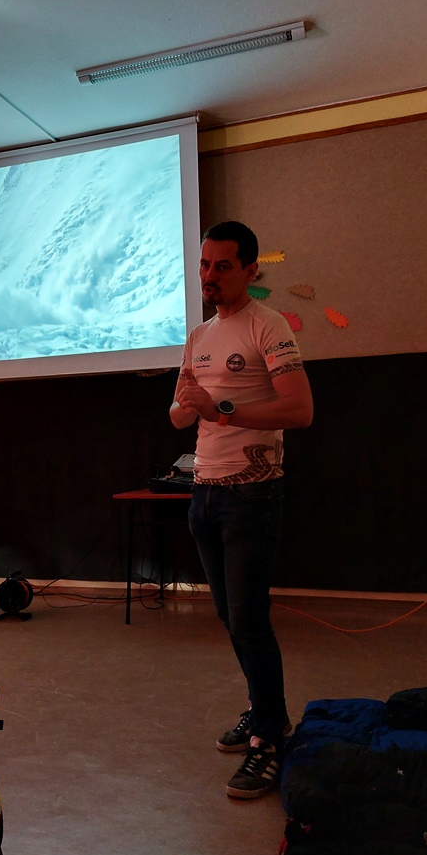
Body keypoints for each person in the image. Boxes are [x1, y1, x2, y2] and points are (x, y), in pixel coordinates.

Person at [170, 220, 313, 799]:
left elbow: (300, 410)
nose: (209, 276)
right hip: (204, 491)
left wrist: (222, 408)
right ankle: (263, 708)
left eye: (223, 266)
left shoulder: (267, 325)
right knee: (231, 617)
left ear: (251, 270)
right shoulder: (198, 335)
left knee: (249, 618)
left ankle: (270, 738)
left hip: (253, 494)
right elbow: (178, 414)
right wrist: (191, 404)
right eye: (205, 265)